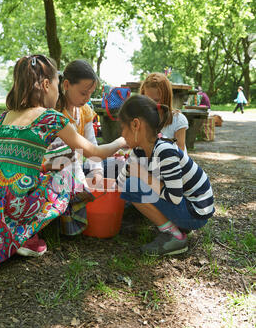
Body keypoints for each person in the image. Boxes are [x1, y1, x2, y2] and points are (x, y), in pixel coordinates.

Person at [0, 55, 126, 270]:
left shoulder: (3, 119)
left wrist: (47, 166)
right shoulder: (50, 118)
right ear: (47, 85)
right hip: (13, 200)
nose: (58, 93)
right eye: (56, 84)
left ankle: (2, 229)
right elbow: (94, 151)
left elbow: (15, 163)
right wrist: (122, 140)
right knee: (66, 173)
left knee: (55, 165)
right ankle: (21, 232)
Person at [117, 95, 215, 256]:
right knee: (129, 187)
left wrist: (143, 176)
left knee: (132, 186)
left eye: (122, 127)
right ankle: (176, 225)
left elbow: (175, 197)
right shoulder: (138, 151)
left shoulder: (165, 151)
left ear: (135, 125)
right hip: (183, 205)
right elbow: (120, 184)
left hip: (195, 212)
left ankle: (174, 236)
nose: (122, 134)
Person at [42, 59, 104, 235]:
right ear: (67, 85)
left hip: (76, 167)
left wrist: (97, 171)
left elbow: (92, 145)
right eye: (84, 93)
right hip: (57, 168)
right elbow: (56, 155)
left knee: (113, 165)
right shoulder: (55, 113)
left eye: (91, 94)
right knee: (71, 168)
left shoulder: (84, 111)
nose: (87, 99)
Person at [139, 72, 189, 153]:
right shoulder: (142, 119)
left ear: (166, 98)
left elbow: (180, 153)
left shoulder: (177, 120)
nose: (151, 104)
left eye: (156, 100)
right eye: (147, 100)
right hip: (151, 163)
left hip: (173, 163)